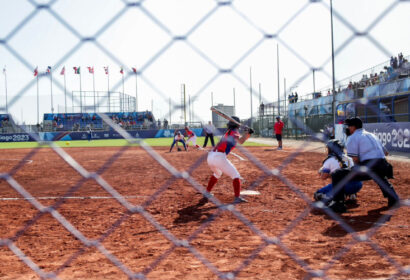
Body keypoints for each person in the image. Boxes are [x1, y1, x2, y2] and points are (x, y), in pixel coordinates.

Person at [330, 117, 400, 213]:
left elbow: (355, 159)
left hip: (369, 166)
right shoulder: (372, 135)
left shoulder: (352, 137)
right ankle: (394, 199)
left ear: (354, 127)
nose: (348, 128)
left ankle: (338, 203)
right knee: (379, 175)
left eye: (349, 126)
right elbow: (386, 153)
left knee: (337, 173)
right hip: (384, 166)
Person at [202, 116, 254, 204]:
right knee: (236, 175)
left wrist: (248, 133)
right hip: (219, 156)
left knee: (217, 173)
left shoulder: (230, 132)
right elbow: (241, 141)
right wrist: (247, 132)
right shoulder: (234, 132)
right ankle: (237, 198)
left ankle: (207, 193)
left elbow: (241, 140)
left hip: (211, 156)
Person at [314, 139, 362, 204]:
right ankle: (352, 193)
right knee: (343, 176)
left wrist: (321, 171)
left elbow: (323, 177)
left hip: (345, 186)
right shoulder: (349, 158)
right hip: (358, 184)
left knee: (317, 194)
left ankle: (336, 197)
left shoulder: (329, 160)